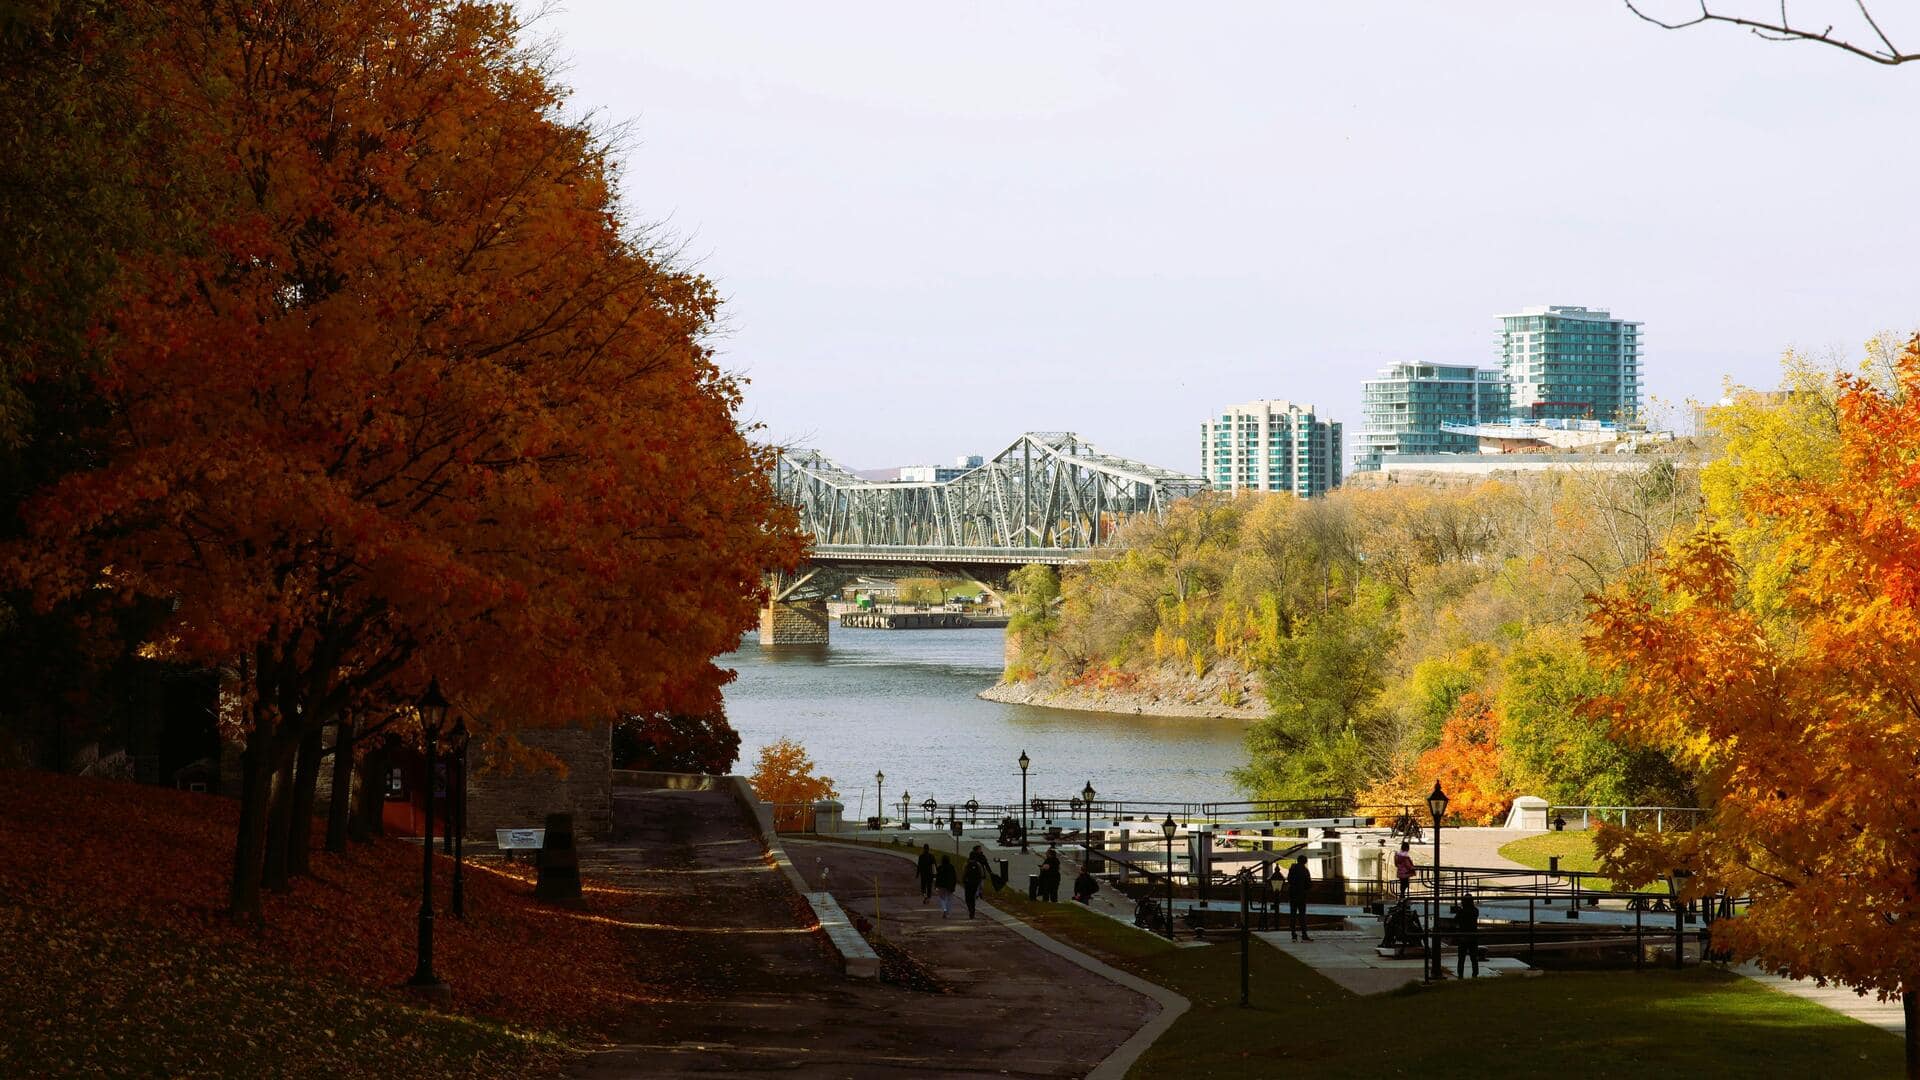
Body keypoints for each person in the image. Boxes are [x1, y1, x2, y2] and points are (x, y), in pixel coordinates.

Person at [1286, 854, 1313, 941]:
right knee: (1302, 915)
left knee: (1293, 914)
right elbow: (1308, 883)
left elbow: (1289, 879)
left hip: (1292, 894)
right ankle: (1304, 934)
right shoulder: (1305, 870)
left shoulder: (1292, 869)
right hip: (1301, 895)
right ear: (1305, 862)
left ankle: (1293, 934)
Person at [1455, 892, 1480, 978]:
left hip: (1463, 937)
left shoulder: (1461, 911)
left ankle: (1460, 975)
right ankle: (1475, 974)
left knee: (1461, 958)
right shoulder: (1475, 911)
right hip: (1473, 936)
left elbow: (1456, 921)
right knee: (1474, 958)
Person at [962, 850, 985, 918]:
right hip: (975, 883)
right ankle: (973, 910)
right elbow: (981, 874)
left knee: (967, 898)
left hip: (968, 883)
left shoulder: (966, 864)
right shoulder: (978, 864)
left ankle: (970, 910)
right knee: (973, 898)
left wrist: (963, 881)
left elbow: (964, 872)